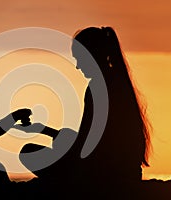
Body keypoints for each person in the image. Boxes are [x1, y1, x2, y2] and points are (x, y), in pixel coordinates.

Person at [18, 26, 152, 198]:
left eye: (79, 58)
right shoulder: (118, 83)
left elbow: (82, 146)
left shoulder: (98, 88)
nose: (77, 66)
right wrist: (44, 130)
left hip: (101, 174)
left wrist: (54, 140)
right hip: (123, 172)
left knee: (28, 150)